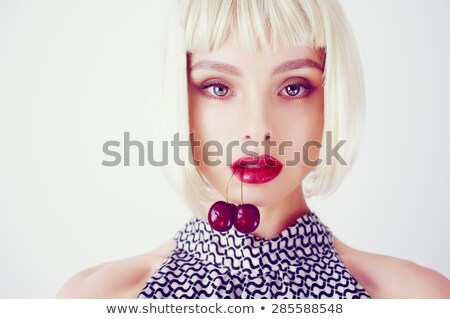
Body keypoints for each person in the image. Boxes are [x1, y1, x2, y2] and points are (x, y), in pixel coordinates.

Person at [57, 0, 450, 298]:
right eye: (219, 87)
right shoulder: (97, 298)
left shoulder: (415, 298)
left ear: (332, 98)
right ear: (179, 100)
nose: (258, 129)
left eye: (293, 87)